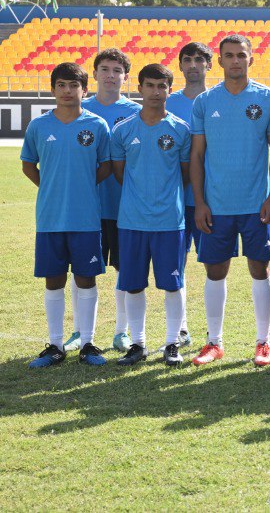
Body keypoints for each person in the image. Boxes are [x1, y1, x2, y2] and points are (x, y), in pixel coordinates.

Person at [189, 34, 270, 367]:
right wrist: (200, 202)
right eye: (228, 55)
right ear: (219, 61)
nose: (235, 61)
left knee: (260, 268)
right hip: (216, 205)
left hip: (256, 204)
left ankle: (263, 342)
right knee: (215, 271)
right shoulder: (205, 102)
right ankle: (214, 342)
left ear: (250, 59)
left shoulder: (268, 98)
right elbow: (196, 155)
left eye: (240, 55)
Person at [23, 62, 113, 368]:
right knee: (54, 279)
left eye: (74, 85)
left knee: (86, 278)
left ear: (84, 90)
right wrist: (51, 186)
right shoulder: (39, 126)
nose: (67, 90)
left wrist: (82, 185)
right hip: (50, 218)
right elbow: (28, 165)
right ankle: (56, 345)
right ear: (52, 89)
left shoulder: (97, 125)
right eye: (61, 85)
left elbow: (106, 166)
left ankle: (87, 343)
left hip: (86, 217)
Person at [110, 63, 192, 367]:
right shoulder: (123, 130)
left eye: (162, 86)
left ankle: (172, 343)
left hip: (169, 221)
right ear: (139, 88)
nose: (156, 92)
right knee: (132, 283)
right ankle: (138, 343)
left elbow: (185, 174)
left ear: (169, 90)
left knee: (172, 283)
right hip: (132, 221)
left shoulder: (180, 129)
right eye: (150, 85)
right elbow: (120, 172)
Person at [82, 48, 142, 353]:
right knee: (84, 271)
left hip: (124, 207)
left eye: (117, 70)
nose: (110, 75)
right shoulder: (79, 109)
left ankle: (122, 331)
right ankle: (82, 332)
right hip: (87, 207)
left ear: (126, 77)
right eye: (104, 69)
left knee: (124, 270)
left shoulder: (136, 112)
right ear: (94, 74)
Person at [164, 41, 212, 346]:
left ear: (209, 64)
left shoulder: (218, 100)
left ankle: (213, 333)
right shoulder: (167, 103)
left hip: (210, 200)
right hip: (176, 202)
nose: (193, 65)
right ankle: (180, 330)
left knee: (214, 268)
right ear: (180, 65)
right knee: (175, 267)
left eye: (199, 59)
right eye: (187, 60)